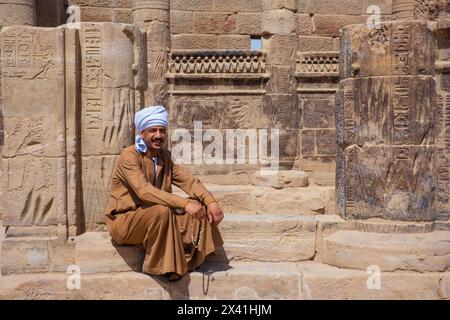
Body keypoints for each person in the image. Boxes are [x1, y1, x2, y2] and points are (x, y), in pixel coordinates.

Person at [104, 105, 224, 281]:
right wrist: (184, 203)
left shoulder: (164, 156)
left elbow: (189, 181)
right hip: (125, 221)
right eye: (153, 130)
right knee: (163, 210)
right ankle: (162, 266)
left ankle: (186, 260)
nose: (158, 135)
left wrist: (211, 202)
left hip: (157, 217)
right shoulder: (129, 156)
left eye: (162, 131)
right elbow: (144, 191)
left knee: (198, 206)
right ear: (142, 133)